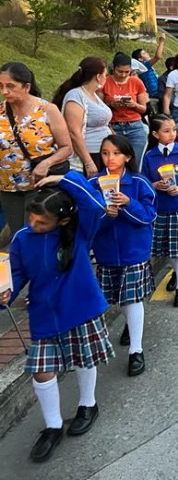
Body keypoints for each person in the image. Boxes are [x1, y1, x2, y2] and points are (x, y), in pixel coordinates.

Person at [1, 170, 111, 463]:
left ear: (61, 221)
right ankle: (52, 426)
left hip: (81, 308)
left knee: (83, 359)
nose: (33, 225)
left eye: (41, 222)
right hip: (44, 314)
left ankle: (88, 404)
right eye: (31, 219)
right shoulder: (23, 239)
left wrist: (63, 179)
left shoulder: (80, 229)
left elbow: (95, 204)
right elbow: (17, 274)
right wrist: (5, 295)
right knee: (41, 369)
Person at [89, 134, 156, 377]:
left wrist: (128, 204)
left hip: (133, 250)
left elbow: (148, 216)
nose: (110, 158)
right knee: (118, 298)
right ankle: (130, 326)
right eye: (105, 153)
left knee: (132, 298)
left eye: (116, 153)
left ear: (127, 156)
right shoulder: (94, 183)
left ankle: (136, 350)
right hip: (106, 252)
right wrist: (106, 214)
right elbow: (89, 223)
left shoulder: (139, 183)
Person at [0, 62, 72, 238]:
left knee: (36, 232)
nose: (5, 91)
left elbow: (67, 147)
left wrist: (46, 163)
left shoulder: (47, 110)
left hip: (39, 184)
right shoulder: (1, 111)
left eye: (10, 86)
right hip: (8, 186)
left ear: (26, 87)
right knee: (19, 234)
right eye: (1, 86)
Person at [141, 114, 178, 308]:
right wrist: (154, 185)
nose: (172, 134)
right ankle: (176, 272)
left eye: (174, 129)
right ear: (156, 134)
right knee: (167, 248)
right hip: (160, 208)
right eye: (166, 131)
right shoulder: (150, 156)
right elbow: (142, 182)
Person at [53, 57, 113, 177]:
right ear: (98, 76)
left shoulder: (94, 96)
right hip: (89, 153)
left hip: (103, 151)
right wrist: (88, 162)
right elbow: (74, 132)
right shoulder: (76, 96)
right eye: (105, 74)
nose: (106, 78)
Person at [103, 52, 149, 167]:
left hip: (135, 126)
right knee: (116, 163)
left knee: (135, 163)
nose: (123, 75)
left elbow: (143, 109)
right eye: (120, 71)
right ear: (113, 68)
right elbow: (99, 106)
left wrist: (134, 105)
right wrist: (111, 104)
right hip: (114, 126)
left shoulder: (136, 82)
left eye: (127, 72)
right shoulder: (105, 82)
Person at [131, 31, 166, 102]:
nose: (147, 53)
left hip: (157, 91)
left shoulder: (146, 65)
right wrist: (161, 41)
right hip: (155, 92)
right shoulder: (143, 65)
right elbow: (157, 56)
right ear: (140, 59)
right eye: (144, 53)